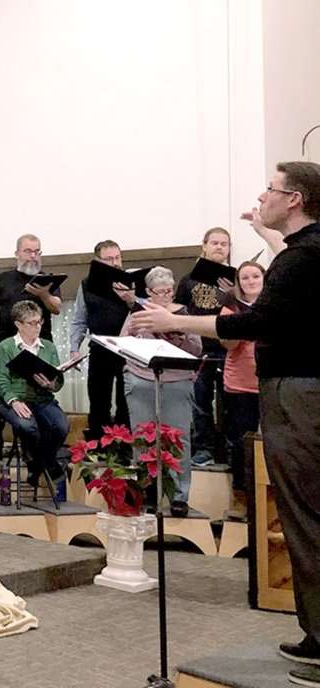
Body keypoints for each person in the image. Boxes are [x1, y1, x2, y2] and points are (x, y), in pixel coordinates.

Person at [130, 162, 320, 687]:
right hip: (301, 390)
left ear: (296, 199)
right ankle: (314, 632)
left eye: (271, 190)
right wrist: (262, 233)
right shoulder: (306, 253)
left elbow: (257, 321)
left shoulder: (304, 256)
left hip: (299, 393)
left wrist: (174, 321)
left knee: (305, 516)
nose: (262, 196)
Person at [120, 266, 201, 517]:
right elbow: (122, 345)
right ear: (148, 292)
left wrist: (181, 335)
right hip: (142, 379)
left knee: (178, 439)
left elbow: (196, 348)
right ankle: (145, 492)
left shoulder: (184, 314)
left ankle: (179, 496)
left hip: (177, 380)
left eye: (169, 291)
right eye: (160, 292)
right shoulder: (138, 313)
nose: (166, 296)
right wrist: (133, 334)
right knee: (144, 438)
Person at [0, 233, 62, 461]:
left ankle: (33, 448)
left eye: (37, 251)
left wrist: (43, 294)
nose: (33, 256)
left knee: (38, 391)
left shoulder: (47, 280)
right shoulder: (2, 279)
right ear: (17, 254)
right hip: (7, 344)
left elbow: (56, 308)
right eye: (28, 251)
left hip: (40, 345)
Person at [0, 301, 70, 492]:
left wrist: (52, 384)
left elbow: (57, 379)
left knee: (60, 427)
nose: (37, 327)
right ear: (18, 325)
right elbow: (0, 378)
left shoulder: (48, 347)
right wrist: (14, 401)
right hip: (14, 399)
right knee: (28, 426)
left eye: (39, 322)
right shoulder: (7, 346)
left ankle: (38, 464)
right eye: (32, 323)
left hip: (42, 399)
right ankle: (49, 465)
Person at [175, 227, 233, 467]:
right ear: (204, 246)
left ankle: (233, 452)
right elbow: (178, 311)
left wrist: (233, 294)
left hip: (229, 349)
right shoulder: (188, 280)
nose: (219, 247)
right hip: (199, 350)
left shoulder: (236, 279)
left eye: (224, 244)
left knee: (231, 405)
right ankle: (204, 450)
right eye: (215, 243)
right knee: (200, 403)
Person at [69, 240, 137, 440]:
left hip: (128, 350)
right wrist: (74, 348)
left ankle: (125, 449)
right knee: (99, 403)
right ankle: (98, 449)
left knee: (126, 403)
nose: (115, 263)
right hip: (99, 350)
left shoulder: (132, 282)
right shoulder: (87, 285)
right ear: (97, 261)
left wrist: (130, 299)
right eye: (109, 259)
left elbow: (147, 312)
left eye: (118, 258)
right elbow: (80, 320)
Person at [218, 260, 264, 522]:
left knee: (273, 444)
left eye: (255, 276)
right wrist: (242, 323)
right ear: (238, 283)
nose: (250, 282)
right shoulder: (230, 309)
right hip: (239, 386)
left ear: (263, 278)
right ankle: (241, 497)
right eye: (244, 278)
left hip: (268, 383)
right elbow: (227, 344)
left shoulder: (274, 305)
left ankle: (271, 497)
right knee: (239, 445)